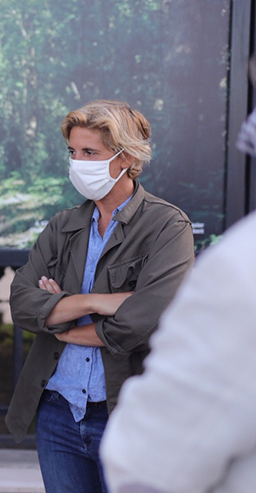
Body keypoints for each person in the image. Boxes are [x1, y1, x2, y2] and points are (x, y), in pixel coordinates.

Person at [4, 100, 195, 492]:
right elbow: (22, 304)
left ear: (126, 157)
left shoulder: (167, 226)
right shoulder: (64, 224)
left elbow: (141, 322)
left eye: (90, 152)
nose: (78, 163)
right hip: (57, 411)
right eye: (73, 152)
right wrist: (94, 302)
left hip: (125, 414)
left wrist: (60, 320)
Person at [99, 101, 256, 493]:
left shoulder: (239, 266)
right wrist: (103, 302)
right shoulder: (66, 222)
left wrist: (74, 311)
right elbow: (28, 301)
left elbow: (152, 461)